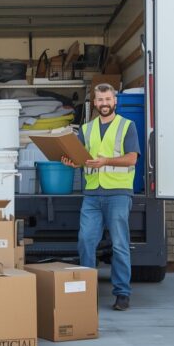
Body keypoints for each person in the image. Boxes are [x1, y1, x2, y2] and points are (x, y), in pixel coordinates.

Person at [61, 83, 140, 311]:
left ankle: (122, 293)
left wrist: (106, 161)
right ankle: (87, 291)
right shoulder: (86, 129)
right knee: (85, 240)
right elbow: (81, 159)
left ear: (115, 101)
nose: (104, 104)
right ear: (94, 103)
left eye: (108, 99)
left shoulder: (127, 126)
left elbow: (132, 159)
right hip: (92, 195)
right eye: (100, 100)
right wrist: (71, 162)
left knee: (119, 244)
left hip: (118, 193)